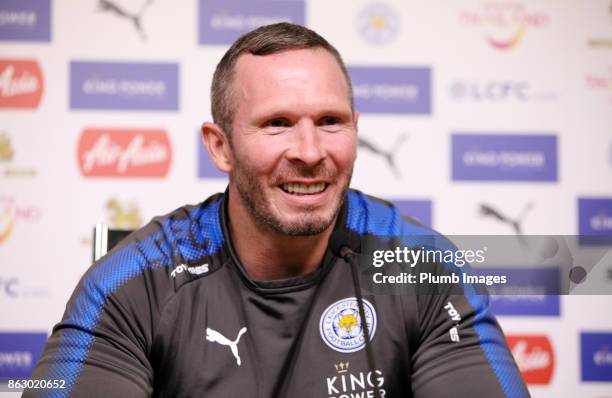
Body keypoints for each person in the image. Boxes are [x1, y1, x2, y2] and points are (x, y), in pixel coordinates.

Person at [25, 23, 529, 397]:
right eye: (277, 124)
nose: (310, 152)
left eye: (330, 121)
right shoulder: (134, 280)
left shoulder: (423, 266)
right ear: (220, 146)